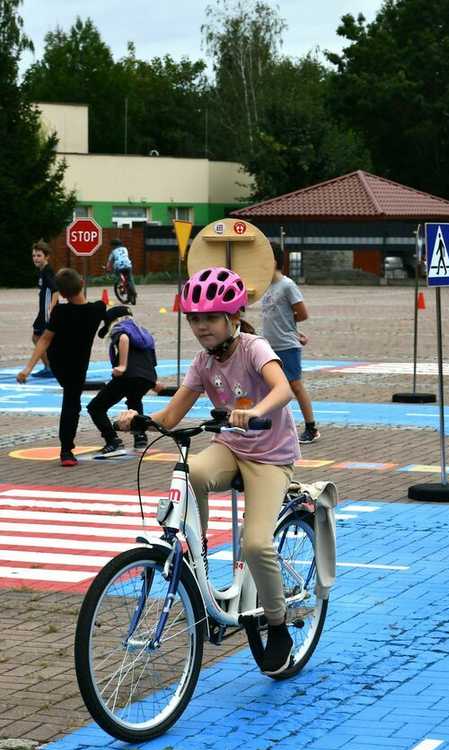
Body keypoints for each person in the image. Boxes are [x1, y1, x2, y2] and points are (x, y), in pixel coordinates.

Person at [116, 266, 301, 675]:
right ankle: (197, 559)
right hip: (230, 447)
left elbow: (284, 388)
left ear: (233, 319)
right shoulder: (202, 361)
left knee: (255, 545)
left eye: (211, 318)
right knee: (189, 471)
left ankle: (278, 624)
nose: (201, 326)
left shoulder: (254, 348)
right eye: (194, 318)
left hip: (270, 455)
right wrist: (140, 418)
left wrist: (254, 411)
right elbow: (173, 411)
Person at [17, 268, 106, 466]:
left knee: (71, 398)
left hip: (59, 364)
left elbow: (44, 340)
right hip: (77, 366)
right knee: (72, 403)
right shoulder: (97, 309)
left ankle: (66, 449)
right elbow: (111, 313)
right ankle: (66, 451)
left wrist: (27, 369)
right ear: (82, 282)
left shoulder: (60, 311)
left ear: (62, 294)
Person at [260, 244, 319, 444]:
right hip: (268, 346)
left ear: (273, 262)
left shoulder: (287, 285)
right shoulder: (265, 286)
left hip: (287, 345)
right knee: (270, 388)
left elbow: (302, 313)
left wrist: (291, 328)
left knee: (295, 385)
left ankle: (311, 427)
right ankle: (274, 427)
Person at [88, 306, 158, 456]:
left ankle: (112, 440)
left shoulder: (120, 329)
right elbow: (151, 358)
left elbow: (124, 338)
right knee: (134, 400)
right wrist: (153, 381)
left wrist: (122, 365)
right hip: (147, 377)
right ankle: (140, 436)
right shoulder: (143, 333)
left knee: (96, 407)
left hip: (128, 376)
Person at [31, 240, 58, 377]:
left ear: (46, 257)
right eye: (34, 255)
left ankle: (50, 367)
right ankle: (49, 366)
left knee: (37, 338)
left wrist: (51, 309)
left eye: (39, 255)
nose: (36, 258)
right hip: (43, 311)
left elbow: (55, 290)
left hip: (47, 313)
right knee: (40, 338)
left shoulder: (48, 272)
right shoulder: (42, 271)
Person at [106, 238, 136, 304]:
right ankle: (133, 291)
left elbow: (109, 262)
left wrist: (108, 269)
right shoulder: (125, 249)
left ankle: (121, 283)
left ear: (113, 245)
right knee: (130, 278)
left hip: (119, 266)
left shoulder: (113, 252)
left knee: (117, 273)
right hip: (128, 265)